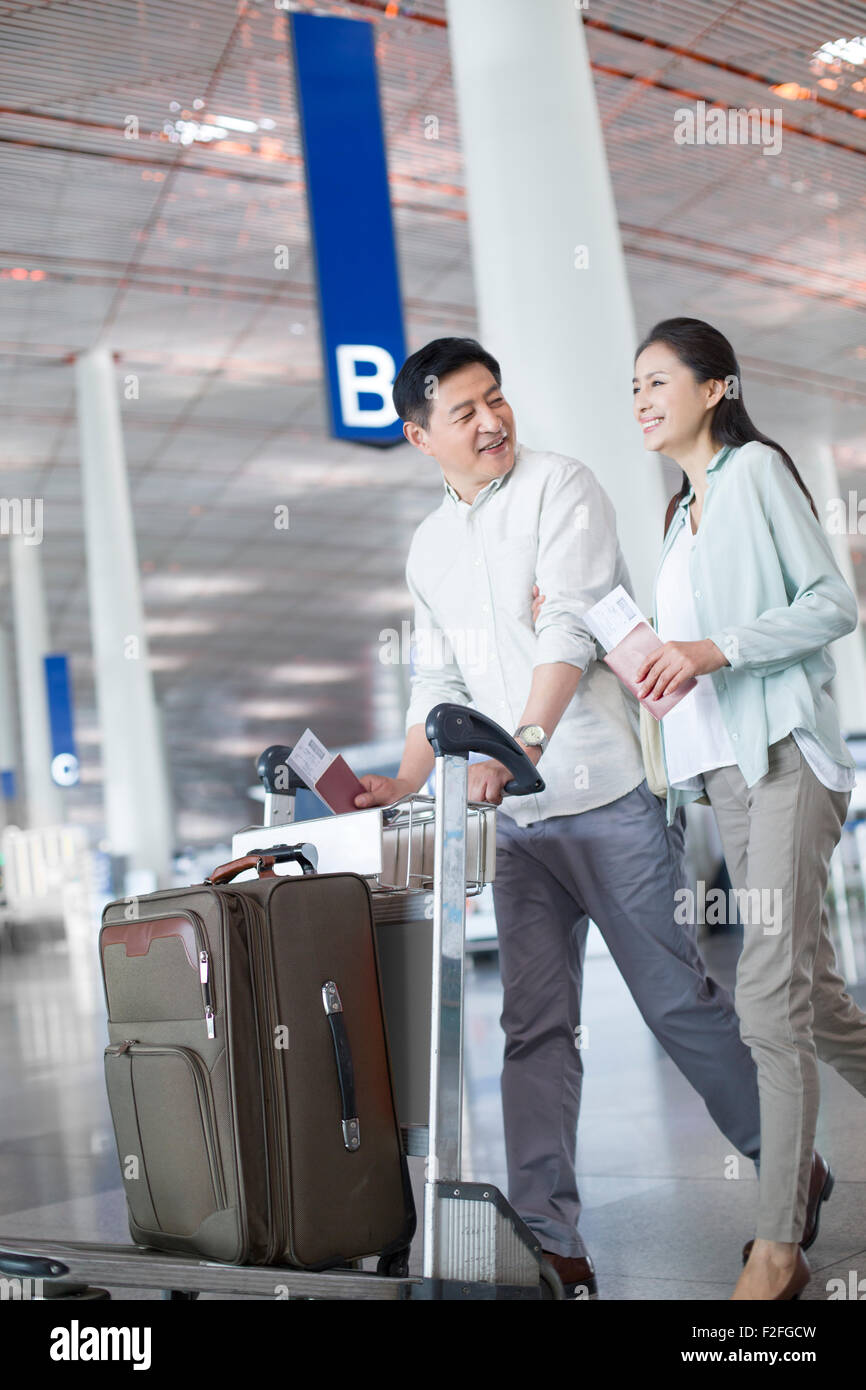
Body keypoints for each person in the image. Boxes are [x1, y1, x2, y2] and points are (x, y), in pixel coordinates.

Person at [354, 335, 767, 1299]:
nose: (492, 420)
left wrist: (523, 743)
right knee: (535, 1029)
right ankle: (552, 1239)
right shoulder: (427, 548)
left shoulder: (562, 486)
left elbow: (570, 624)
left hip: (601, 794)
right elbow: (437, 679)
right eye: (465, 412)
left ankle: (784, 1165)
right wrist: (402, 781)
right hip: (511, 830)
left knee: (676, 1002)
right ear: (423, 437)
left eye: (495, 399)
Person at [627, 316, 866, 1300]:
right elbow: (683, 653)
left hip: (782, 759)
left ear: (714, 387)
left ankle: (777, 1246)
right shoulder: (677, 513)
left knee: (766, 996)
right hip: (722, 771)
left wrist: (710, 648)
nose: (640, 400)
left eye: (654, 382)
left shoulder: (754, 474)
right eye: (630, 389)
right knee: (810, 995)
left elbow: (830, 602)